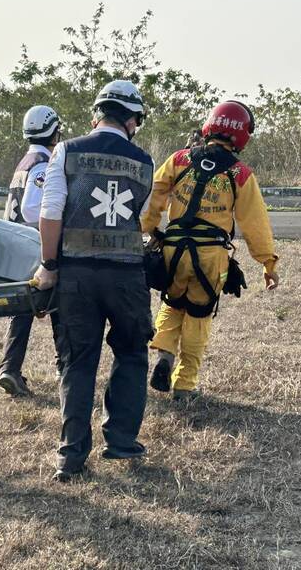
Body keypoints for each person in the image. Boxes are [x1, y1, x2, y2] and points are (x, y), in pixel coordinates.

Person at [34, 80, 155, 482]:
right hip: (126, 278)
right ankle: (120, 440)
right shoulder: (144, 162)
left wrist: (48, 265)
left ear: (97, 115)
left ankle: (70, 455)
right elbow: (142, 217)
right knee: (132, 353)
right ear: (133, 119)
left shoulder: (65, 151)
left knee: (77, 361)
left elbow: (50, 214)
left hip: (75, 276)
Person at [141, 100, 280, 401]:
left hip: (173, 250)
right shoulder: (240, 174)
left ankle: (163, 355)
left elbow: (154, 193)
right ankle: (185, 384)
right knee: (199, 316)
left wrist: (150, 228)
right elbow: (255, 222)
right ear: (242, 135)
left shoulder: (179, 158)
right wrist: (268, 263)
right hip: (210, 256)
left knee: (172, 302)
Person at [0, 105, 64, 396]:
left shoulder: (25, 160)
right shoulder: (42, 162)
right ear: (53, 130)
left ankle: (10, 368)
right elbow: (31, 207)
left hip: (16, 244)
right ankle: (67, 367)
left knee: (22, 310)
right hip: (34, 245)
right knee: (61, 305)